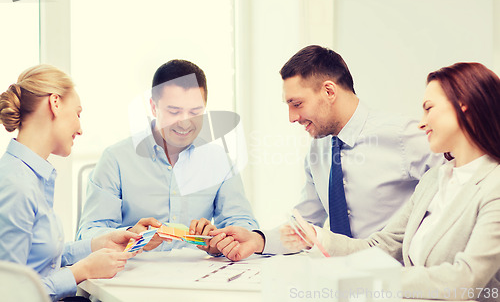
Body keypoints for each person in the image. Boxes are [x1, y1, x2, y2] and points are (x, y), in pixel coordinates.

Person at [281, 62, 500, 302]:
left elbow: (466, 280)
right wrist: (319, 238)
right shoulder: (434, 179)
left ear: (463, 106)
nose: (421, 123)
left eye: (429, 108)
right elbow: (383, 245)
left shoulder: (493, 185)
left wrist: (373, 281)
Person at [209, 45, 443, 261]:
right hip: (340, 279)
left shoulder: (405, 136)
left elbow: (459, 196)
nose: (291, 117)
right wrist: (257, 239)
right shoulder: (318, 149)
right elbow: (306, 225)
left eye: (297, 104)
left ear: (329, 91)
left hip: (398, 280)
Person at [76, 59, 258, 255]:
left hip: (197, 275)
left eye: (195, 112)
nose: (185, 123)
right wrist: (131, 235)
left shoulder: (220, 161)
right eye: (174, 111)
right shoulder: (116, 159)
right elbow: (89, 234)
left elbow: (243, 225)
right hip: (130, 274)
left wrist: (221, 241)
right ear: (153, 107)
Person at [0, 65, 139, 301]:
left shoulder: (31, 176)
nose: (80, 128)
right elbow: (10, 292)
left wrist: (97, 244)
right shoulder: (16, 185)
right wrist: (80, 271)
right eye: (78, 113)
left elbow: (40, 259)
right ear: (55, 103)